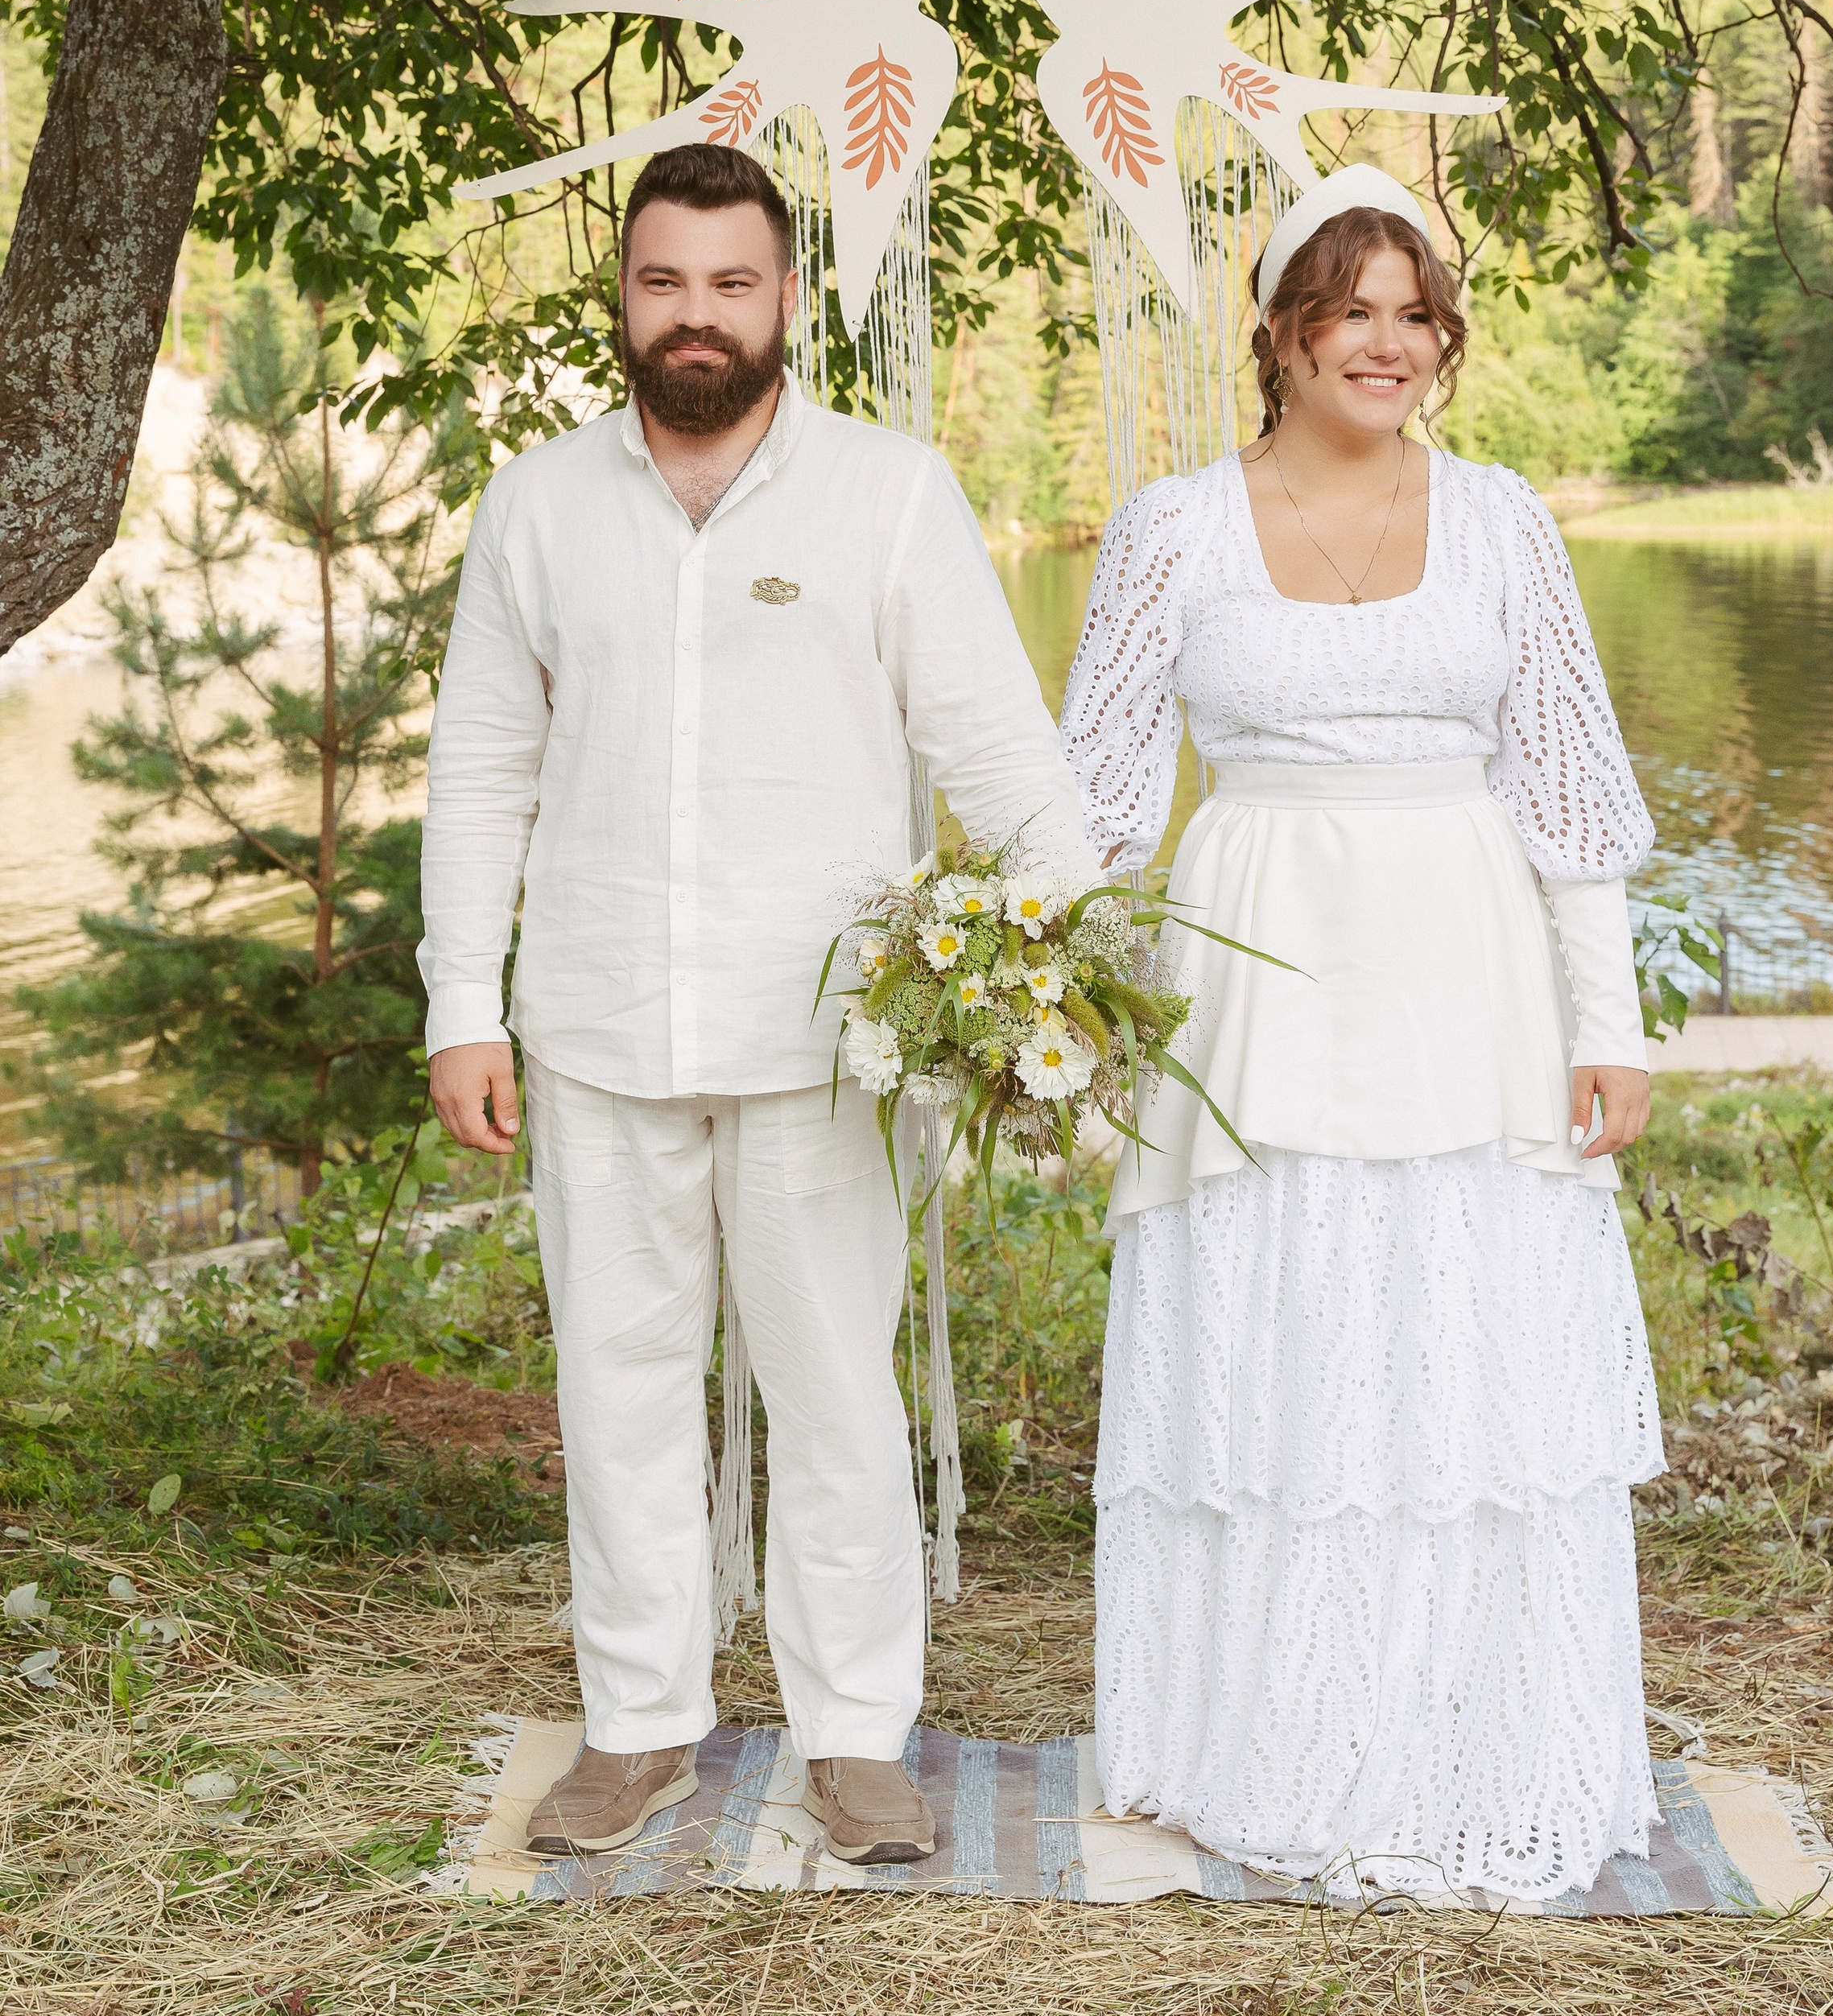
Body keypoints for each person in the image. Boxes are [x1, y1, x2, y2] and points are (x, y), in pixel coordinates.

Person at [419, 140, 1092, 1866]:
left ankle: (854, 1737)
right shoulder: (537, 505)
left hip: (830, 1039)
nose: (696, 314)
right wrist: (460, 1001)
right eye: (665, 281)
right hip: (595, 1023)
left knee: (837, 1395)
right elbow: (480, 769)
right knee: (619, 1392)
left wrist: (1088, 959)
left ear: (788, 297)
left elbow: (996, 749)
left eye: (731, 282)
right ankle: (637, 1723)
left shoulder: (888, 492)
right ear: (623, 295)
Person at [1061, 164, 1665, 1902]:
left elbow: (1567, 792)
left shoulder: (1504, 523)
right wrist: (1057, 1018)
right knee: (1279, 1344)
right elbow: (1094, 807)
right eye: (1348, 311)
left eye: (1414, 314)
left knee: (1460, 1351)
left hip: (1467, 976)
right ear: (1278, 332)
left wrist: (1610, 1026)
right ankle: (1270, 1743)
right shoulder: (1172, 529)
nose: (1385, 344)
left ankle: (1468, 1741)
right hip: (1249, 983)